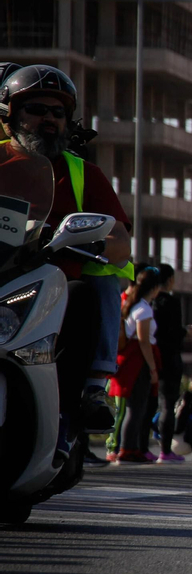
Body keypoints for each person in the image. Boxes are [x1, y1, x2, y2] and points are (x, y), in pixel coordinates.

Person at [0, 65, 133, 442]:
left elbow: (121, 242)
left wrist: (95, 244)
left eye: (58, 113)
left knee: (90, 292)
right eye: (38, 109)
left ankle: (87, 394)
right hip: (4, 276)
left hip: (55, 285)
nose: (49, 119)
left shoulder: (84, 173)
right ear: (10, 116)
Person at [112, 267, 164, 463]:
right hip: (138, 363)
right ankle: (127, 449)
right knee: (136, 408)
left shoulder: (134, 306)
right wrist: (152, 368)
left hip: (133, 361)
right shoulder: (144, 309)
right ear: (155, 288)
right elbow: (144, 341)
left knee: (134, 408)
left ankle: (129, 447)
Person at [149, 265, 188, 463]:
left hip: (151, 356)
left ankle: (136, 446)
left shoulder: (149, 301)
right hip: (169, 358)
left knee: (147, 404)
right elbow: (175, 333)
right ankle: (165, 450)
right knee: (167, 404)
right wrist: (184, 332)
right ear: (170, 280)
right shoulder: (171, 302)